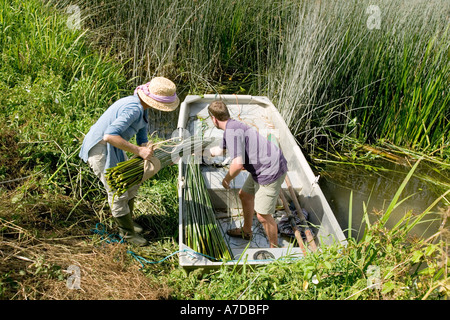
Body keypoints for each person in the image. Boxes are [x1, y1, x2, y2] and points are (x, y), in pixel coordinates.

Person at [79, 77, 180, 246]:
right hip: (101, 149)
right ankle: (127, 235)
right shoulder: (134, 108)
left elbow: (142, 137)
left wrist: (158, 153)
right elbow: (109, 136)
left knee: (131, 182)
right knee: (117, 191)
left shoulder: (143, 108)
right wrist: (139, 151)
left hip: (115, 148)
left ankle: (129, 221)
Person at [207, 100, 288, 248]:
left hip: (270, 170)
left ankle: (274, 249)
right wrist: (201, 152)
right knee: (245, 195)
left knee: (263, 216)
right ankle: (246, 231)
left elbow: (238, 164)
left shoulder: (231, 131)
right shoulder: (231, 126)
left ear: (213, 118)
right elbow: (219, 151)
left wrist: (226, 180)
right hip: (261, 167)